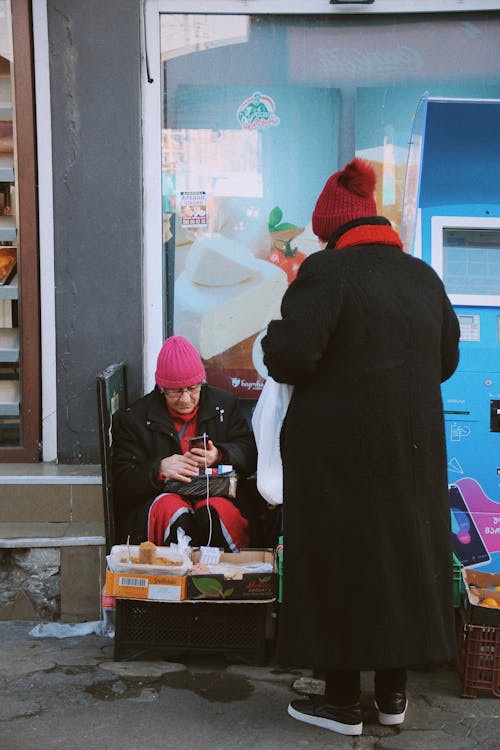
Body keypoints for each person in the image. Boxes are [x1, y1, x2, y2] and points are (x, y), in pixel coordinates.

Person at [261, 158, 460, 736]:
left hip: (339, 459)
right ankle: (393, 697)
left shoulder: (327, 273)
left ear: (332, 228)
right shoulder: (423, 276)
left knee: (342, 565)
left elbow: (290, 357)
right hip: (412, 454)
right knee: (399, 562)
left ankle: (342, 702)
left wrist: (276, 331)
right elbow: (447, 359)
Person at [112, 335, 257, 551]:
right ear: (161, 388)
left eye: (192, 389)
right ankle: (170, 578)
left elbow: (250, 455)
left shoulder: (224, 405)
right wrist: (158, 469)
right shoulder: (134, 419)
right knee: (173, 511)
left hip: (215, 494)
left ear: (202, 382)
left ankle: (223, 576)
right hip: (165, 499)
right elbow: (121, 483)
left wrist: (219, 455)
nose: (186, 399)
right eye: (176, 391)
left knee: (214, 512)